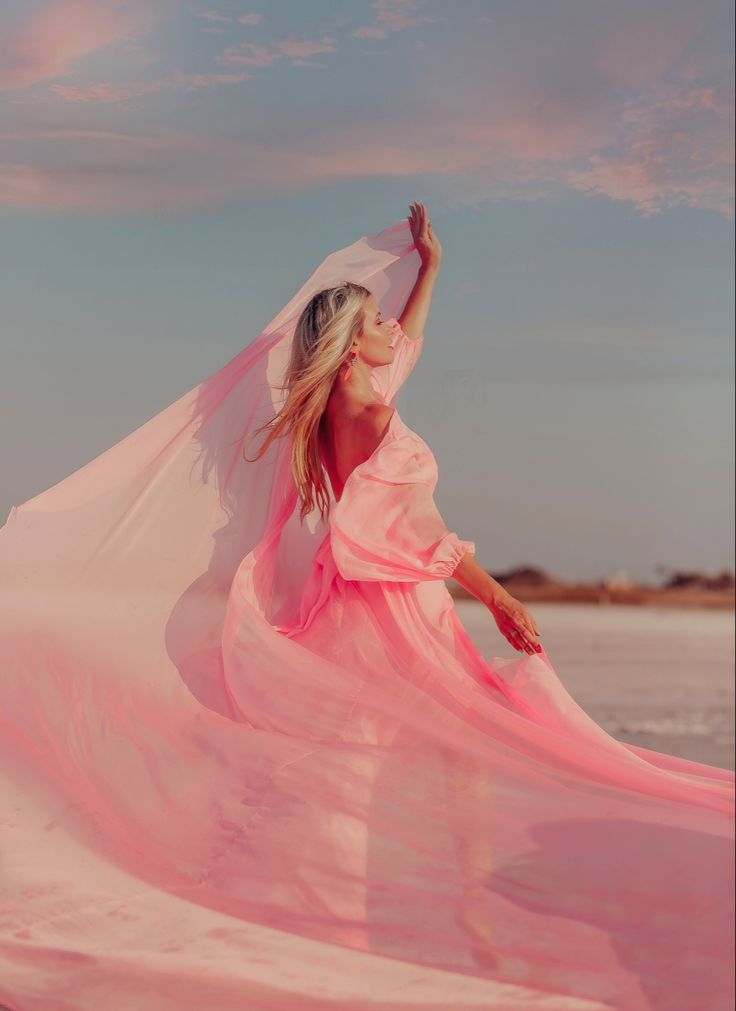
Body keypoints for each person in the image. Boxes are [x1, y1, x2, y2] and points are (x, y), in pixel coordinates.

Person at [0, 207, 732, 1011]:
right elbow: (421, 533)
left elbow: (402, 347)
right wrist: (498, 595)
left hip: (349, 602)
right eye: (375, 322)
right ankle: (453, 905)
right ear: (354, 346)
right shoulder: (376, 419)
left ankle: (335, 895)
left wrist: (431, 269)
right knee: (462, 744)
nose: (392, 328)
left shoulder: (324, 423)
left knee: (366, 752)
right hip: (404, 607)